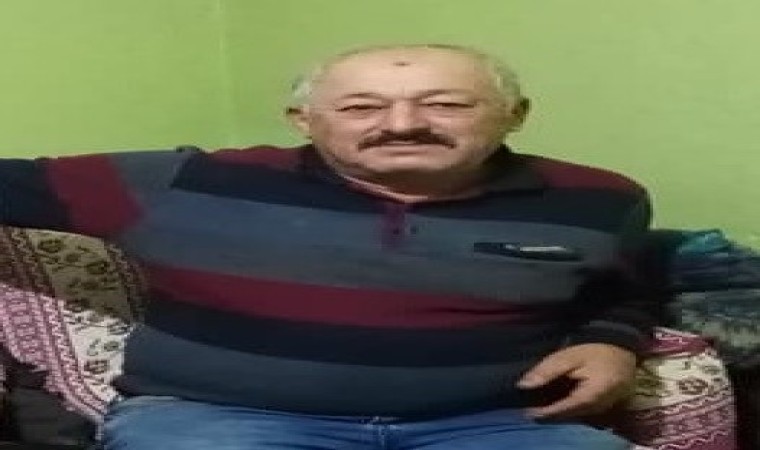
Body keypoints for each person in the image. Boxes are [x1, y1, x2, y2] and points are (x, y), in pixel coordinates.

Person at [0, 44, 656, 449]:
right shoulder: (182, 183)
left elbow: (621, 287)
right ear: (304, 120)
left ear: (515, 114)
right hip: (221, 423)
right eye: (360, 107)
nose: (403, 125)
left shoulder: (601, 200)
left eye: (446, 104)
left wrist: (614, 341)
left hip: (492, 426)